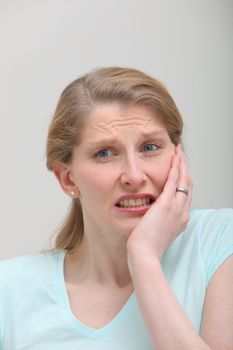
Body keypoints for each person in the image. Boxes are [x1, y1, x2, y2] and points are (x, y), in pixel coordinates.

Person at [0, 67, 232, 350]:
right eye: (105, 153)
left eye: (150, 147)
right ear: (67, 177)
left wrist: (143, 258)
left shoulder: (221, 242)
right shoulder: (9, 290)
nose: (134, 176)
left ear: (177, 156)